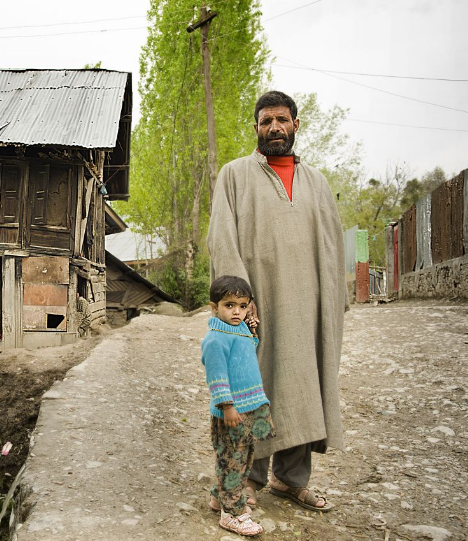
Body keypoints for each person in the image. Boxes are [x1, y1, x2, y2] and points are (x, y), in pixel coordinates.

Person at [207, 90, 347, 512]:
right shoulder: (234, 175)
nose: (275, 128)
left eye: (282, 120)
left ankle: (290, 479)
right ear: (256, 127)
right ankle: (249, 479)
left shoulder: (317, 183)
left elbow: (332, 246)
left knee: (302, 385)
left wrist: (332, 304)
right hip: (256, 305)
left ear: (296, 126)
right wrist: (238, 304)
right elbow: (222, 239)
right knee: (255, 384)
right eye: (266, 121)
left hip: (307, 307)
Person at [202, 276, 274, 537]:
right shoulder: (215, 340)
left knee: (242, 459)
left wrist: (251, 330)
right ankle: (231, 513)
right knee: (232, 460)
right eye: (229, 305)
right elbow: (217, 377)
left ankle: (218, 498)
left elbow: (247, 351)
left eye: (242, 306)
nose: (237, 312)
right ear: (214, 306)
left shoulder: (237, 329)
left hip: (249, 407)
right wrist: (227, 407)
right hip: (232, 411)